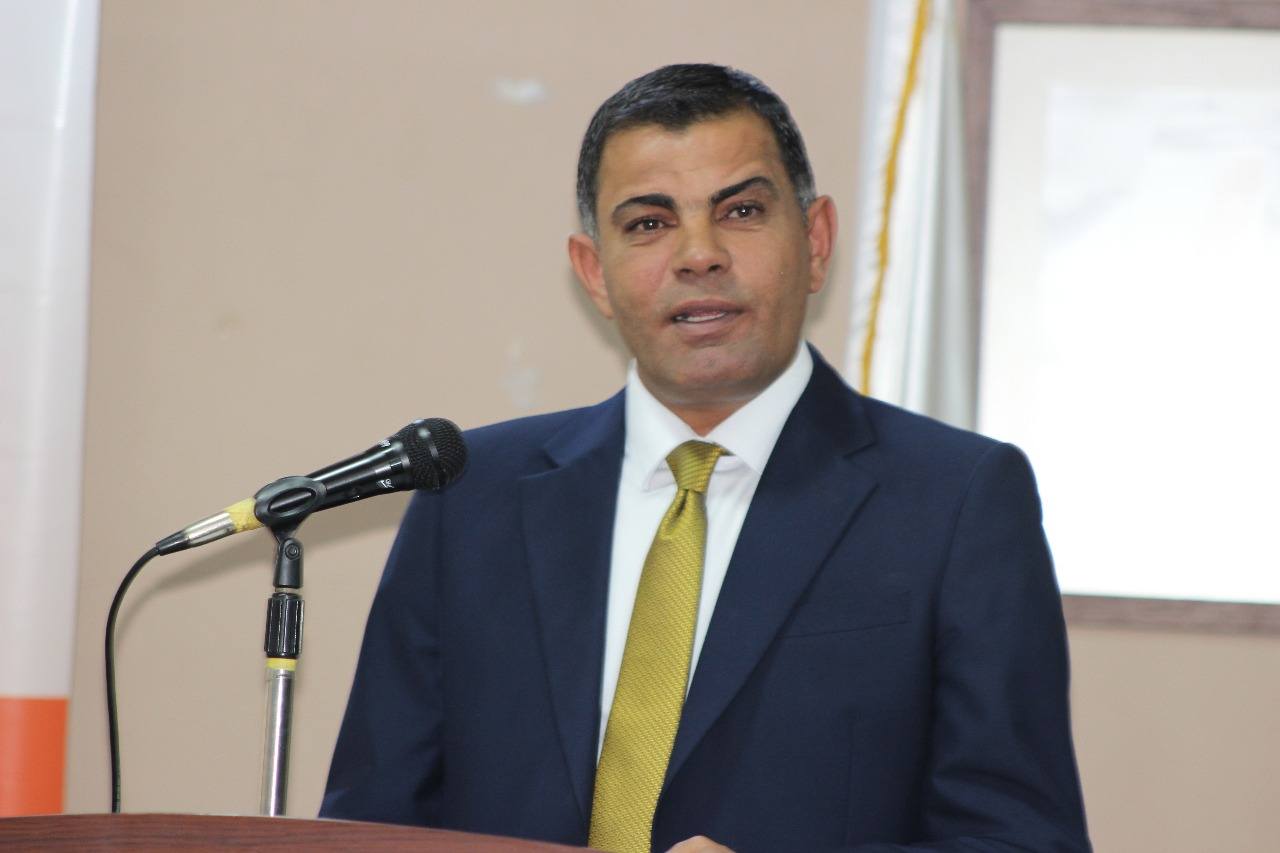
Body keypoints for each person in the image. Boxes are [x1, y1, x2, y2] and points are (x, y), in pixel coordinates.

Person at [320, 64, 1091, 853]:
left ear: (816, 241)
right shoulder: (471, 495)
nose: (699, 255)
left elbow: (1025, 842)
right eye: (649, 223)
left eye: (742, 211)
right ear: (594, 272)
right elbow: (368, 826)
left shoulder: (956, 500)